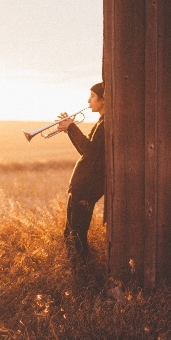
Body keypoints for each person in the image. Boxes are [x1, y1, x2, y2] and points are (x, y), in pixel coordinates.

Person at [57, 82, 106, 264]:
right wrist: (69, 130)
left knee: (76, 236)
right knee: (70, 233)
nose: (88, 100)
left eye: (92, 96)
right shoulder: (101, 122)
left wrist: (72, 127)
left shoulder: (105, 124)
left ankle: (86, 276)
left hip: (87, 187)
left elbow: (91, 152)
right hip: (83, 186)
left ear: (103, 100)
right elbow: (87, 152)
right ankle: (78, 273)